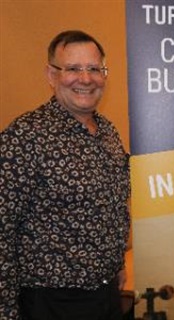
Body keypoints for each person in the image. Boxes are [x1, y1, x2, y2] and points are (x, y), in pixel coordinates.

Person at [0, 30, 130, 320]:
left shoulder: (109, 133)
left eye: (94, 69)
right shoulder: (25, 137)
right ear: (51, 75)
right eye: (73, 68)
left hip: (107, 296)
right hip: (51, 302)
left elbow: (114, 207)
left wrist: (118, 263)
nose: (85, 79)